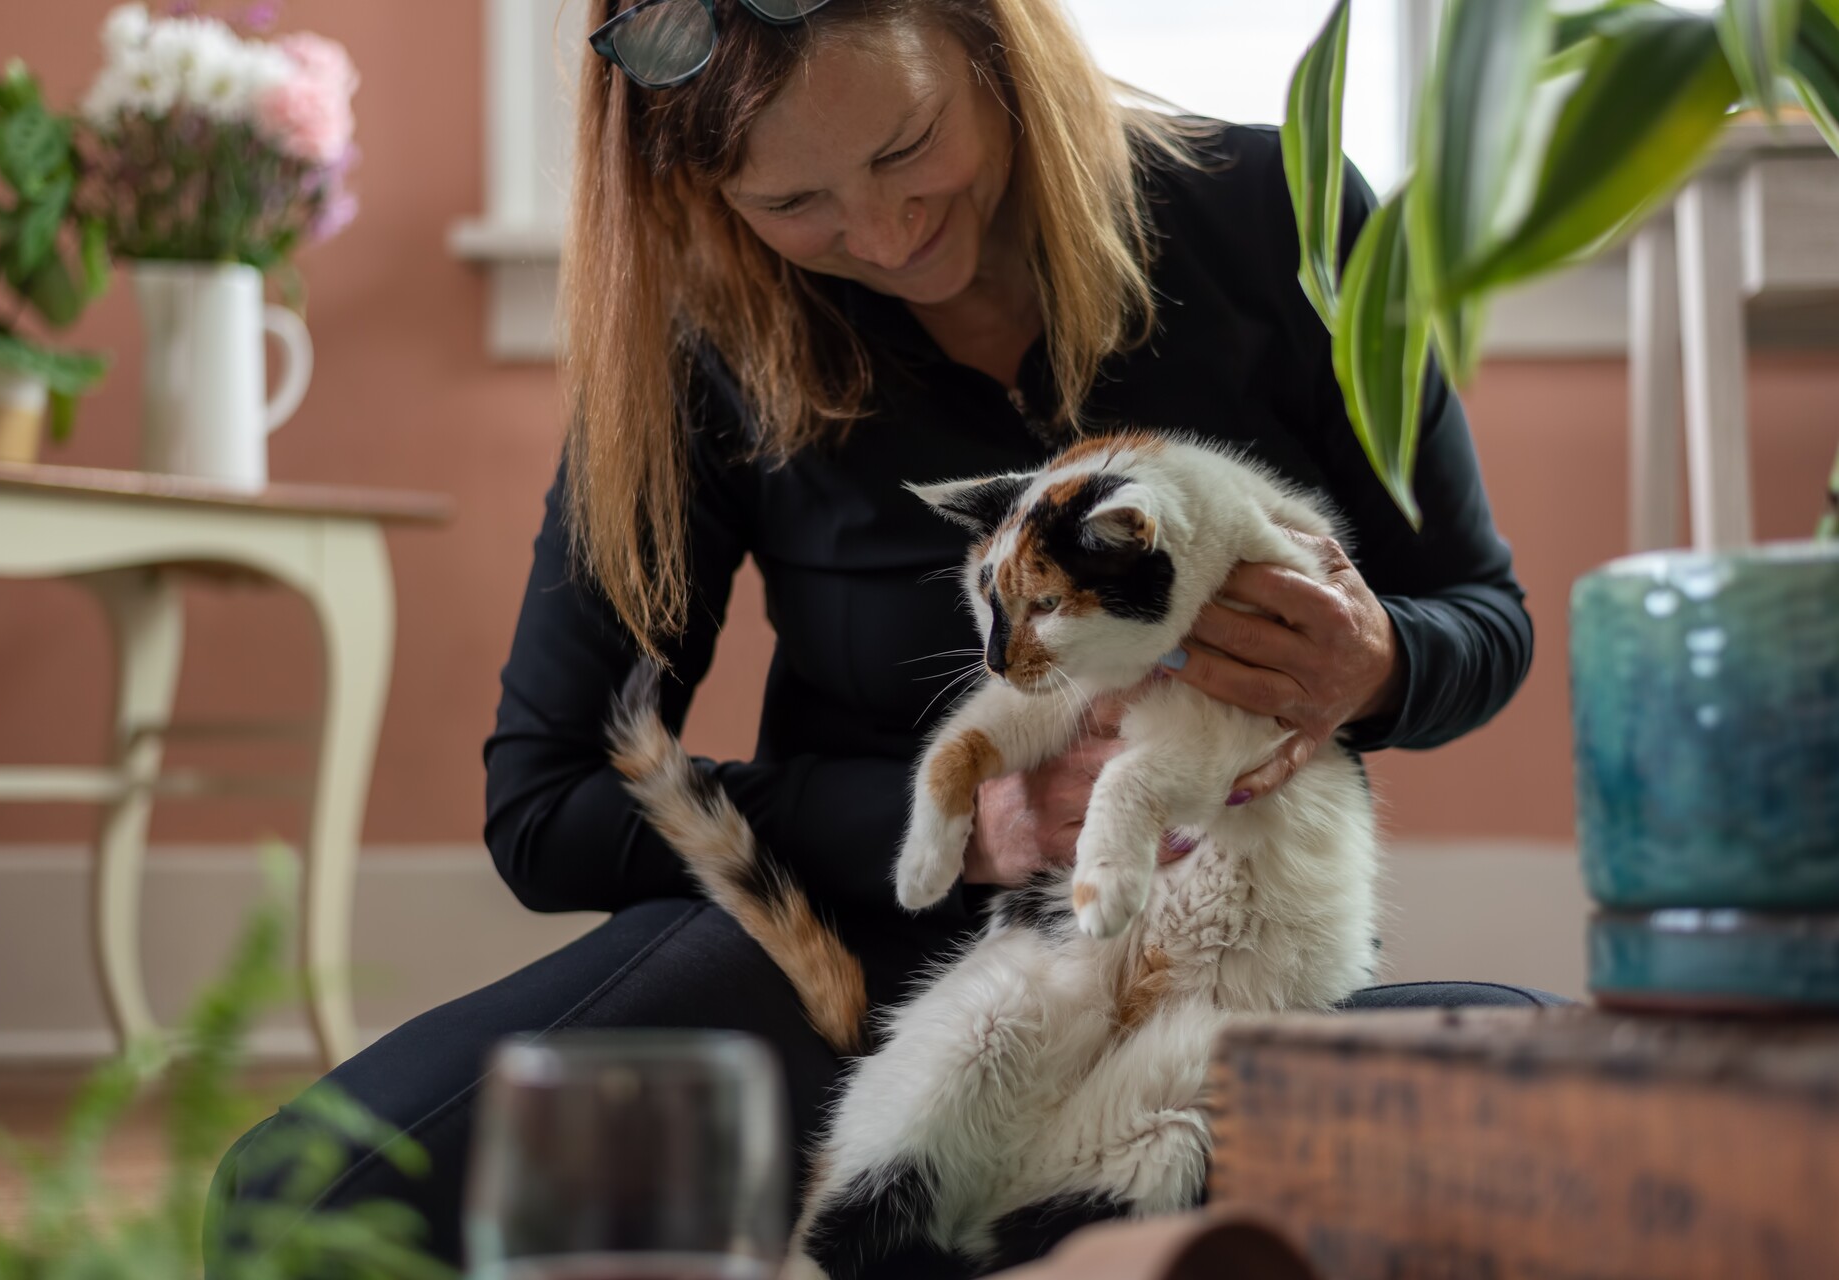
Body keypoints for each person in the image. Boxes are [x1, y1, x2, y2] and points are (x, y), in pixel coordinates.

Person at [212, 0, 1564, 1273]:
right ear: (708, 197)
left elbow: (1480, 620)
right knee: (304, 1205)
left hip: (1195, 979)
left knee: (1529, 1089)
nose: (883, 230)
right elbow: (546, 804)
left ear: (986, 37)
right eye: (791, 202)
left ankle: (957, 1229)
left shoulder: (1278, 212)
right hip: (848, 967)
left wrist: (1374, 661)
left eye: (909, 146)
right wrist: (974, 825)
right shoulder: (708, 332)